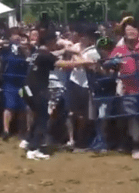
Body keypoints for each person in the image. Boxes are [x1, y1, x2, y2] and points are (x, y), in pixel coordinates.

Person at [22, 31, 97, 160]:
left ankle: (28, 140)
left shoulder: (37, 53)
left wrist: (65, 51)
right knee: (42, 119)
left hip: (25, 89)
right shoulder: (46, 55)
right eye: (55, 42)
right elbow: (63, 64)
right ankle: (35, 149)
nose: (56, 45)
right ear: (49, 42)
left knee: (38, 115)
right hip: (37, 90)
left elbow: (54, 55)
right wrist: (84, 62)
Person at [109, 19, 139, 160]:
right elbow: (108, 65)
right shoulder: (119, 50)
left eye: (134, 29)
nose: (131, 32)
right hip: (128, 90)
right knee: (132, 117)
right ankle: (136, 146)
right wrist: (113, 63)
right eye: (128, 30)